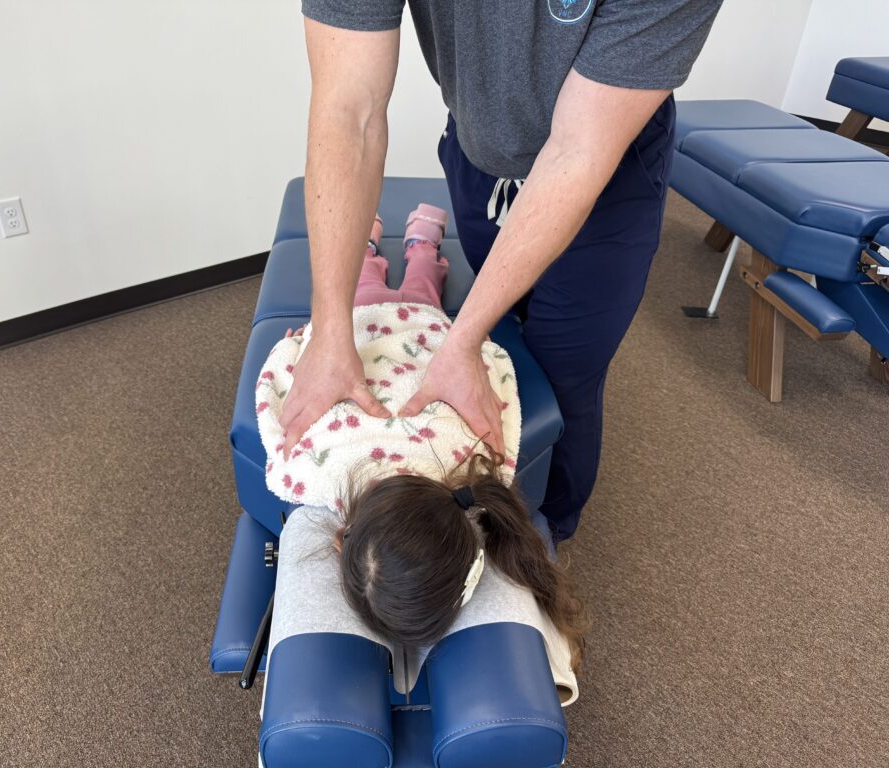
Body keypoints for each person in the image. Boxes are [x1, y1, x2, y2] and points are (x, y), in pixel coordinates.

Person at [279, 0, 723, 542]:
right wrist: (329, 328)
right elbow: (351, 111)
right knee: (504, 348)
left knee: (563, 379)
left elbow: (577, 151)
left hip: (606, 165)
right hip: (480, 147)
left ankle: (545, 532)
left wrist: (462, 341)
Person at [256, 205, 587, 666]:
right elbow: (277, 402)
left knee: (421, 285)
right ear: (343, 533)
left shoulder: (472, 463)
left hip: (426, 329)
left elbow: (496, 393)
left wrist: (481, 353)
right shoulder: (314, 466)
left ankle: (420, 239)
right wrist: (295, 347)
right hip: (366, 325)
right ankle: (371, 235)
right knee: (365, 278)